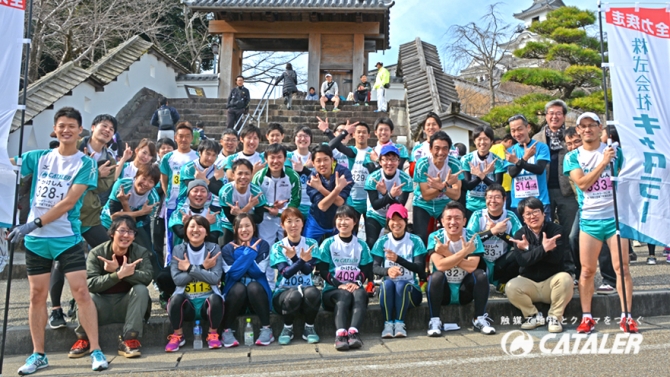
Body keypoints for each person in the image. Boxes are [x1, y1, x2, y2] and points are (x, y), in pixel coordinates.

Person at [8, 107, 109, 374]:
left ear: (80, 131)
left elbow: (68, 202)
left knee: (81, 292)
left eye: (71, 126)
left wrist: (33, 223)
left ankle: (96, 350)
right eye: (61, 126)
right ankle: (38, 354)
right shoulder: (38, 157)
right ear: (55, 129)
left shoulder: (85, 164)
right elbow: (6, 166)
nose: (66, 130)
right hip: (36, 241)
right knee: (36, 296)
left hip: (66, 237)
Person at [563, 112, 636, 334]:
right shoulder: (573, 156)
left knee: (622, 268)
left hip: (615, 218)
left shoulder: (616, 152)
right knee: (586, 271)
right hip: (590, 219)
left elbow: (631, 175)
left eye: (592, 125)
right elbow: (582, 183)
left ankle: (627, 316)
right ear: (577, 130)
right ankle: (587, 317)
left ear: (599, 127)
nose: (587, 130)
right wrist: (603, 162)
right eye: (583, 126)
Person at [69, 216, 153, 358]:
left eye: (131, 232)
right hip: (100, 305)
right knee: (83, 294)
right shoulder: (96, 253)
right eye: (122, 230)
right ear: (112, 233)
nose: (126, 235)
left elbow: (147, 277)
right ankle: (83, 338)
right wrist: (117, 275)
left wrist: (119, 270)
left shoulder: (141, 252)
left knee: (141, 290)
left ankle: (130, 339)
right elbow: (90, 284)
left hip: (127, 307)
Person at [426, 201, 495, 336]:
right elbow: (440, 265)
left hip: (465, 289)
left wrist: (446, 255)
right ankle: (434, 320)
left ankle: (479, 318)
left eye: (457, 218)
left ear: (464, 221)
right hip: (443, 290)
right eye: (449, 218)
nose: (453, 222)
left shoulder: (472, 237)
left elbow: (471, 267)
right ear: (442, 221)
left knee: (481, 275)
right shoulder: (435, 237)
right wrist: (463, 253)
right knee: (436, 276)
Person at [505, 197, 573, 333]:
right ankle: (533, 315)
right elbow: (523, 262)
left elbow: (556, 258)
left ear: (544, 213)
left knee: (566, 279)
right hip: (529, 283)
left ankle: (555, 317)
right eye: (528, 214)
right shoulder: (519, 234)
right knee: (511, 287)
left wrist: (529, 250)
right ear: (523, 218)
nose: (532, 216)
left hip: (552, 283)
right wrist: (543, 249)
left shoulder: (556, 231)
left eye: (536, 212)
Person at [315, 205, 373, 351]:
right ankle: (340, 335)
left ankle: (353, 333)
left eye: (347, 219)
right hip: (332, 291)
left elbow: (366, 268)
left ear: (355, 222)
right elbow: (322, 269)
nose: (343, 222)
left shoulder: (361, 244)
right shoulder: (328, 243)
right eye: (340, 219)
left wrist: (357, 282)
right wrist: (338, 284)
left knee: (360, 293)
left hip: (354, 287)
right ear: (335, 222)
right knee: (344, 294)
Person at [164, 215, 224, 352]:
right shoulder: (179, 250)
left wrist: (190, 268)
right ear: (186, 231)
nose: (195, 230)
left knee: (216, 299)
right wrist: (203, 268)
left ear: (207, 232)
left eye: (200, 226)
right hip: (187, 303)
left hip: (207, 302)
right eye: (192, 226)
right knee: (174, 299)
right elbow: (177, 280)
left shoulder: (214, 249)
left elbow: (215, 279)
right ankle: (178, 335)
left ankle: (213, 333)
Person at [371, 204, 426, 338]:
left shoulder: (415, 240)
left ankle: (400, 323)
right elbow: (374, 267)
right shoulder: (382, 241)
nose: (396, 223)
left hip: (411, 290)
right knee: (387, 284)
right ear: (388, 222)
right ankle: (388, 324)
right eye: (392, 220)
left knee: (402, 284)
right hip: (388, 290)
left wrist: (399, 260)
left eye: (400, 219)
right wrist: (387, 271)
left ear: (405, 221)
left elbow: (420, 268)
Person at [221, 214, 273, 347]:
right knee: (239, 288)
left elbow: (258, 272)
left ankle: (267, 329)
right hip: (235, 298)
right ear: (234, 229)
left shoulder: (262, 245)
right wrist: (249, 254)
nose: (244, 230)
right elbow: (234, 275)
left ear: (254, 228)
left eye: (247, 226)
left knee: (253, 286)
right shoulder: (227, 248)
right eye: (240, 227)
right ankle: (226, 331)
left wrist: (242, 258)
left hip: (258, 297)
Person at [270, 208, 321, 344]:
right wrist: (300, 260)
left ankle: (309, 328)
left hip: (305, 289)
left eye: (297, 221)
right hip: (283, 293)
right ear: (282, 225)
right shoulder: (278, 246)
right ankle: (287, 328)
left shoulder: (311, 244)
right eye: (289, 221)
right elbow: (285, 273)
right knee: (293, 295)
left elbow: (307, 271)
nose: (294, 225)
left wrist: (295, 259)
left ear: (302, 223)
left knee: (313, 292)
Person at [532, 100, 579, 243]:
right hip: (543, 190)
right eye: (551, 113)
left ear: (564, 116)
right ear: (546, 116)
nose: (554, 117)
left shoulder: (571, 136)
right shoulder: (536, 139)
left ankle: (572, 264)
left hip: (567, 190)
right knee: (545, 229)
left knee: (570, 232)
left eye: (559, 113)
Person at [466, 184, 522, 293]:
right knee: (469, 251)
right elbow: (470, 241)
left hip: (501, 263)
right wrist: (491, 232)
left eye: (497, 197)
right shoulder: (477, 215)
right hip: (481, 261)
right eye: (490, 197)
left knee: (520, 253)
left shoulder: (510, 216)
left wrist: (501, 234)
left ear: (504, 199)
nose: (493, 201)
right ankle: (477, 284)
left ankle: (503, 283)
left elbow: (519, 242)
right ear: (485, 199)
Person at [412, 131, 463, 246]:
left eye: (445, 148)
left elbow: (456, 195)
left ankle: (445, 262)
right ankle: (422, 264)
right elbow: (426, 195)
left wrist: (442, 187)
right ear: (430, 149)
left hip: (445, 203)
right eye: (437, 148)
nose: (441, 152)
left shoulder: (455, 164)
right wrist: (444, 187)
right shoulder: (422, 164)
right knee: (421, 238)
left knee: (449, 235)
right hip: (423, 203)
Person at [77, 114, 118, 247]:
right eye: (104, 126)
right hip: (67, 212)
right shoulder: (74, 147)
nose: (107, 130)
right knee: (66, 258)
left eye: (111, 129)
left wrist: (90, 177)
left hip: (89, 214)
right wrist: (95, 173)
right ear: (93, 127)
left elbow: (103, 187)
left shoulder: (109, 161)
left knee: (106, 250)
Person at [159, 122, 198, 261]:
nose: (184, 139)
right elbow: (164, 179)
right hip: (173, 206)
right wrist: (169, 195)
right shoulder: (168, 157)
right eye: (181, 136)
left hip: (193, 205)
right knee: (171, 239)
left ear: (192, 138)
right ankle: (170, 266)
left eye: (187, 136)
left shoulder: (197, 157)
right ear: (175, 137)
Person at [252, 143, 301, 252]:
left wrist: (280, 212)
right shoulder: (259, 177)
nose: (275, 161)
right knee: (266, 247)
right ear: (266, 159)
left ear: (285, 158)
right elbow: (256, 199)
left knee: (288, 247)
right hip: (266, 217)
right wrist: (270, 207)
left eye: (279, 157)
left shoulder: (293, 176)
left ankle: (287, 269)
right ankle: (266, 269)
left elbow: (296, 200)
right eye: (272, 157)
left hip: (287, 217)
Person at [101, 164, 161, 251]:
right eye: (143, 178)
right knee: (106, 250)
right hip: (107, 222)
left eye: (151, 182)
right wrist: (140, 212)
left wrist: (125, 204)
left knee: (147, 252)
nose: (145, 184)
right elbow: (114, 216)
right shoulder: (122, 185)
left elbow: (133, 223)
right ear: (136, 176)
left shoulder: (153, 199)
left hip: (131, 229)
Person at [322, 120, 374, 219]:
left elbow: (341, 147)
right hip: (338, 194)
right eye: (358, 132)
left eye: (364, 132)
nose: (361, 134)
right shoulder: (329, 148)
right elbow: (329, 148)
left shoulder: (353, 151)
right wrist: (333, 132)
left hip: (362, 197)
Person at [364, 145, 412, 248]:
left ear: (398, 162)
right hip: (375, 214)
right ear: (380, 162)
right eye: (385, 159)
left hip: (395, 216)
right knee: (371, 243)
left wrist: (386, 193)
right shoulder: (373, 178)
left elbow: (399, 208)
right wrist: (391, 195)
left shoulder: (405, 179)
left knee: (399, 243)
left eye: (393, 159)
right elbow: (375, 205)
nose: (389, 163)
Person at [504, 114, 551, 218]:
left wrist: (518, 161)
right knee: (520, 234)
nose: (516, 133)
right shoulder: (511, 150)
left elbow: (539, 169)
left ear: (528, 128)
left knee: (542, 233)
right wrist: (524, 159)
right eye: (513, 130)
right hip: (517, 203)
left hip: (540, 201)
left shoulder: (541, 147)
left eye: (519, 129)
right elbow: (512, 173)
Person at [304, 145, 353, 241]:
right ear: (313, 163)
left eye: (326, 159)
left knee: (342, 248)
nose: (322, 164)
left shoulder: (343, 173)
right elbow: (322, 206)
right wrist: (337, 189)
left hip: (339, 218)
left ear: (332, 160)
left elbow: (339, 202)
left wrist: (320, 188)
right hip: (317, 218)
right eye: (318, 161)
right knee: (307, 246)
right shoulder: (313, 178)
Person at [461, 126, 506, 218]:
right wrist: (483, 174)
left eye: (485, 139)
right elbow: (468, 186)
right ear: (474, 141)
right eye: (479, 139)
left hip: (492, 206)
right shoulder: (466, 159)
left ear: (491, 141)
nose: (482, 142)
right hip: (471, 205)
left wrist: (482, 175)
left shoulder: (497, 160)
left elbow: (497, 187)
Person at [219, 159, 268, 244]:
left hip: (249, 225)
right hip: (228, 225)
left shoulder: (257, 192)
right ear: (233, 175)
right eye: (240, 173)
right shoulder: (225, 192)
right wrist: (247, 207)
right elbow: (231, 219)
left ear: (252, 174)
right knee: (224, 247)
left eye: (247, 173)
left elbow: (259, 218)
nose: (243, 177)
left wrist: (240, 212)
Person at [178, 139, 225, 212]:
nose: (210, 158)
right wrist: (213, 179)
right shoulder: (189, 168)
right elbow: (194, 189)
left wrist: (204, 180)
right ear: (200, 153)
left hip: (207, 208)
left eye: (214, 155)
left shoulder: (217, 170)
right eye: (208, 154)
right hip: (185, 207)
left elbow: (219, 191)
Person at [289, 127, 315, 219]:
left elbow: (322, 179)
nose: (303, 139)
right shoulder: (289, 156)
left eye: (306, 136)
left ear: (311, 139)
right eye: (299, 136)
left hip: (312, 204)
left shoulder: (316, 157)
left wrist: (305, 169)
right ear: (294, 139)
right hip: (293, 203)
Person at [409, 112, 442, 177]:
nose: (431, 127)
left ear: (440, 128)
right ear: (424, 129)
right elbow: (412, 172)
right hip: (423, 183)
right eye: (428, 125)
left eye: (434, 124)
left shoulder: (448, 147)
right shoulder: (417, 149)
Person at [490, 134, 517, 210]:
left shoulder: (493, 147)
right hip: (505, 185)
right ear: (509, 142)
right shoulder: (500, 148)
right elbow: (502, 163)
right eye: (513, 146)